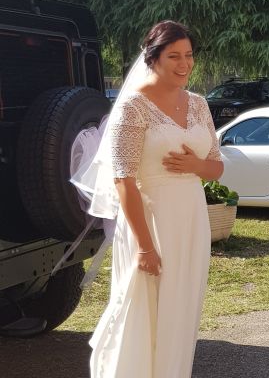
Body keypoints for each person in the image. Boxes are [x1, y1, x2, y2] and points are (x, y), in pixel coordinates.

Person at [77, 21, 224, 377]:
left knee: (181, 310)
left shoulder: (200, 104)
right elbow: (122, 178)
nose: (184, 64)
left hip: (191, 221)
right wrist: (143, 245)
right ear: (153, 58)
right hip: (150, 223)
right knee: (145, 310)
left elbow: (217, 168)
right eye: (173, 56)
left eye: (188, 55)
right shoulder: (133, 107)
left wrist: (195, 164)